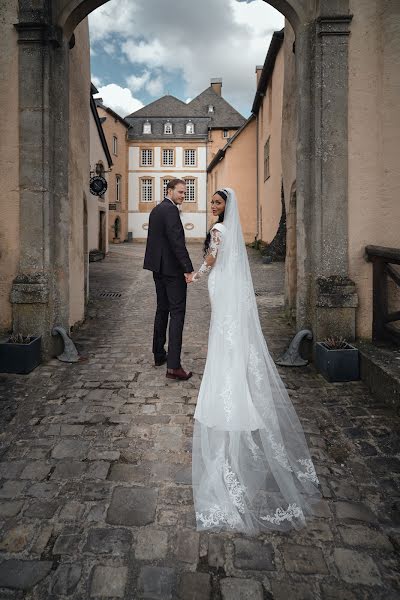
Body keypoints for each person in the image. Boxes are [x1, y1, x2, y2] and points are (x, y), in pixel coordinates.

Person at [187, 188, 321, 533]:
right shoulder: (232, 231)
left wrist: (195, 276)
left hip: (220, 284)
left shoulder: (218, 231)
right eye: (212, 202)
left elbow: (213, 260)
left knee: (222, 332)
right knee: (228, 333)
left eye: (218, 202)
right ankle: (232, 370)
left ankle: (227, 380)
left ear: (226, 206)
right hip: (231, 289)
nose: (213, 206)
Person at [144, 178, 194, 381]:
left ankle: (158, 355)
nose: (184, 195)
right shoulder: (171, 210)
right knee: (177, 314)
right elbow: (176, 242)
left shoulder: (156, 209)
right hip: (172, 271)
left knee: (162, 310)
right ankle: (173, 366)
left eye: (185, 192)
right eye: (181, 192)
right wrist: (188, 269)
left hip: (158, 269)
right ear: (170, 190)